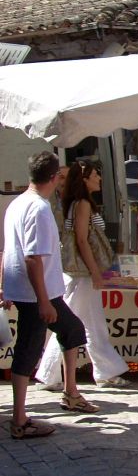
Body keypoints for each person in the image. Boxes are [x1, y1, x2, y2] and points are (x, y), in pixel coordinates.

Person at [2, 152, 97, 440]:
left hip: (36, 290)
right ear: (55, 178)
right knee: (27, 350)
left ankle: (71, 393)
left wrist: (6, 286)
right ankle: (20, 420)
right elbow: (32, 258)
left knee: (72, 330)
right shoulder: (39, 209)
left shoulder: (18, 203)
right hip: (36, 293)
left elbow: (8, 249)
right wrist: (43, 301)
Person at [36, 161, 131, 389]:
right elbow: (81, 239)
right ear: (85, 179)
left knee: (91, 323)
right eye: (95, 175)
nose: (99, 179)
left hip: (79, 273)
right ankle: (51, 374)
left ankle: (103, 371)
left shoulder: (77, 203)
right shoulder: (83, 204)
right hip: (82, 274)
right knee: (80, 324)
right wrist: (95, 271)